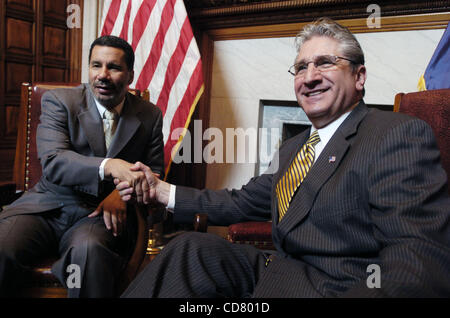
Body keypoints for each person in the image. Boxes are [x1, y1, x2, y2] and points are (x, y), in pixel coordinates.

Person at [117, 18, 450, 297]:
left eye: (325, 63)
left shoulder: (395, 134)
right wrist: (161, 191)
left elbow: (418, 256)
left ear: (359, 77)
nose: (309, 77)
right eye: (301, 68)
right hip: (276, 275)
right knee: (191, 249)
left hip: (336, 288)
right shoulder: (293, 149)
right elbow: (240, 203)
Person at [0, 35, 164, 297]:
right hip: (47, 206)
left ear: (130, 75)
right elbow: (54, 162)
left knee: (88, 254)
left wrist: (122, 194)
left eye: (114, 67)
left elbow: (155, 173)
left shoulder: (150, 114)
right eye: (96, 65)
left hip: (100, 216)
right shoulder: (60, 101)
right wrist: (111, 166)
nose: (103, 75)